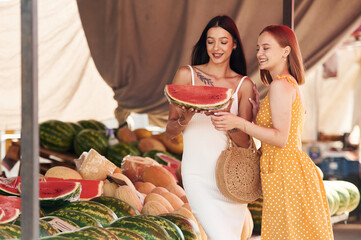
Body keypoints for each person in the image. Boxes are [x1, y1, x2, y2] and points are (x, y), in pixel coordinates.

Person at [211, 25, 334, 239]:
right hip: (289, 171)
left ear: (286, 51)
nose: (259, 54)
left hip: (286, 173)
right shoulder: (289, 84)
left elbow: (280, 138)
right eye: (258, 48)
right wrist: (260, 117)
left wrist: (239, 122)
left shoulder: (280, 85)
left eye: (266, 48)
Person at [165, 15, 255, 239]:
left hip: (231, 176)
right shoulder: (187, 75)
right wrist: (185, 119)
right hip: (197, 173)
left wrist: (230, 123)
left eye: (223, 42)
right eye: (210, 41)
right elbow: (169, 132)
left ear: (234, 45)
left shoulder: (244, 85)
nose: (216, 48)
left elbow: (245, 142)